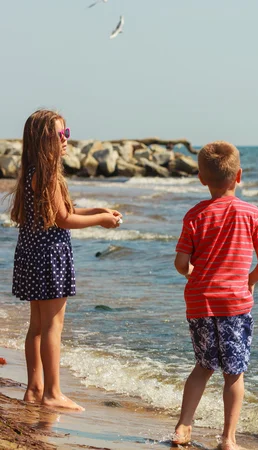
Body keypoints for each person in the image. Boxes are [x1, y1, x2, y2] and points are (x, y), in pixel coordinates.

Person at [9, 109, 122, 411]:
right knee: (52, 327)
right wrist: (101, 221)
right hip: (49, 257)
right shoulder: (47, 176)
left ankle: (34, 389)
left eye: (66, 132)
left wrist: (97, 209)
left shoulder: (32, 173)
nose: (67, 139)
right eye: (61, 134)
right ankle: (52, 393)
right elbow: (64, 220)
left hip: (32, 255)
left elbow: (63, 212)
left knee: (36, 326)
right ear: (44, 140)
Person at [172, 141, 258, 449]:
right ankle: (228, 439)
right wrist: (250, 282)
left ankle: (182, 427)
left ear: (201, 178)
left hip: (200, 301)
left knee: (203, 366)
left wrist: (195, 275)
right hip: (234, 303)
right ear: (239, 175)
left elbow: (180, 264)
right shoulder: (251, 213)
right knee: (234, 373)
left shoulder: (195, 215)